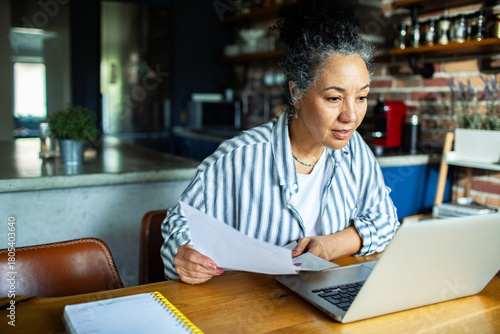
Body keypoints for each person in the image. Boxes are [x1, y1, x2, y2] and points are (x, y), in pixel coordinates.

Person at [161, 0, 400, 284]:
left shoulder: (354, 149)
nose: (350, 115)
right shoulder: (239, 158)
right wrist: (183, 254)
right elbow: (179, 224)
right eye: (334, 98)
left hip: (321, 299)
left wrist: (330, 246)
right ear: (297, 92)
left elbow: (386, 222)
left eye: (361, 97)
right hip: (253, 309)